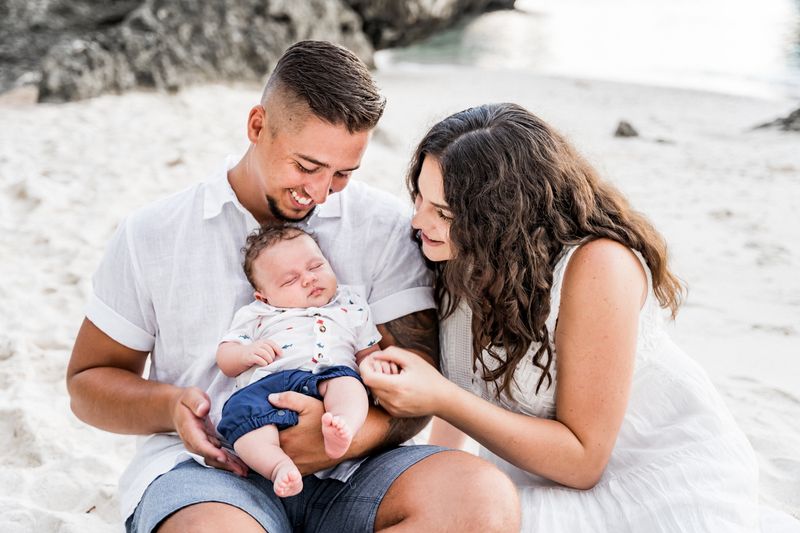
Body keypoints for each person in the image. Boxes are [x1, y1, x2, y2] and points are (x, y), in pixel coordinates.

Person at [66, 42, 519, 533]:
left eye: (343, 173)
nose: (321, 193)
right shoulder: (151, 233)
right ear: (257, 126)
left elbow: (417, 382)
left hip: (361, 468)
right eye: (307, 166)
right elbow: (88, 383)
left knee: (482, 499)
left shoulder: (385, 226)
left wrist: (346, 436)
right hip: (210, 473)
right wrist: (170, 406)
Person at [361, 102, 766, 532]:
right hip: (536, 477)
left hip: (649, 480)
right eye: (419, 196)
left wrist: (440, 396)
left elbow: (584, 461)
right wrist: (443, 470)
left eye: (444, 213)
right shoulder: (455, 253)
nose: (418, 220)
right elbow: (459, 402)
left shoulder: (597, 266)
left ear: (501, 219)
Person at [214, 224, 390, 498]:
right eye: (289, 280)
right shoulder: (258, 313)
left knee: (349, 387)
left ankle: (342, 428)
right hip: (268, 386)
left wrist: (375, 366)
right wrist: (244, 354)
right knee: (242, 415)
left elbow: (368, 350)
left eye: (316, 266)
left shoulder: (350, 304)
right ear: (264, 296)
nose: (309, 279)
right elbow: (226, 356)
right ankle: (278, 466)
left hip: (328, 375)